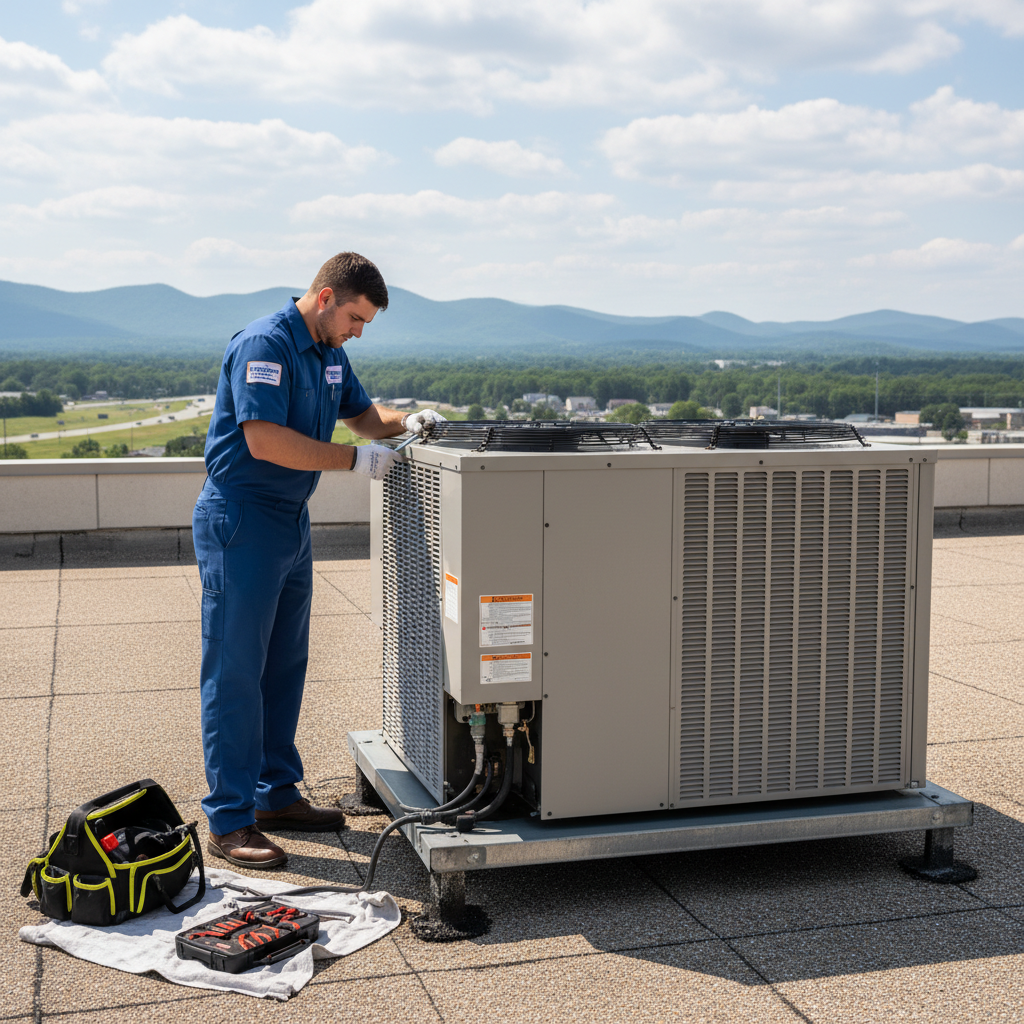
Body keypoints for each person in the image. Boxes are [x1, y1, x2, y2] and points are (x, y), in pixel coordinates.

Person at [194, 252, 446, 868]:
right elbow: (264, 439)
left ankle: (275, 796)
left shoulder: (328, 353)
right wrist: (352, 462)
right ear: (327, 297)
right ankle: (228, 821)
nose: (359, 332)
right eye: (357, 318)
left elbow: (362, 417)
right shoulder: (266, 344)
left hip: (289, 521)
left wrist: (407, 420)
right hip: (242, 519)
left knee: (284, 665)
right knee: (235, 672)